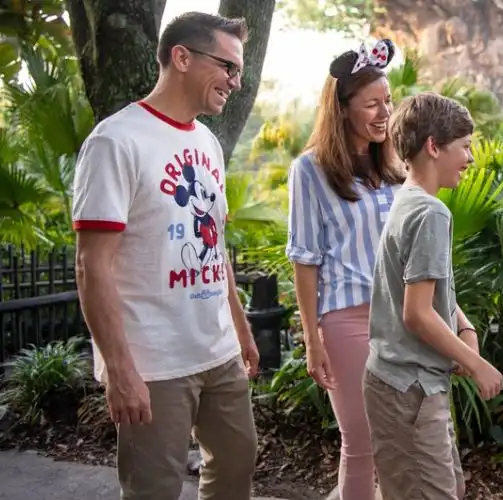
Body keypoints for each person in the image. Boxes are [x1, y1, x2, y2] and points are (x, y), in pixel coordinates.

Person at [71, 12, 259, 500]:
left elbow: (214, 245)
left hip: (217, 349)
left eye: (239, 71)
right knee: (153, 489)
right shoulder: (115, 141)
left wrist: (239, 328)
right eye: (228, 67)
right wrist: (119, 369)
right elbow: (92, 266)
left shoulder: (207, 143)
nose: (236, 82)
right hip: (153, 362)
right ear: (182, 57)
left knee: (237, 464)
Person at [362, 92, 503, 500]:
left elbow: (425, 288)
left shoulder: (406, 200)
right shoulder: (431, 213)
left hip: (399, 383)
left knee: (445, 487)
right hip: (410, 389)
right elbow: (417, 314)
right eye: (465, 146)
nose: (470, 158)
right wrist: (476, 365)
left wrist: (464, 327)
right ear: (433, 146)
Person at [285, 38, 403, 499]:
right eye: (372, 104)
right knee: (362, 442)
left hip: (401, 316)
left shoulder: (394, 168)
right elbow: (304, 259)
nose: (384, 112)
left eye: (387, 101)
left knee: (401, 438)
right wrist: (312, 339)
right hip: (347, 319)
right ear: (342, 108)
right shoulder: (309, 170)